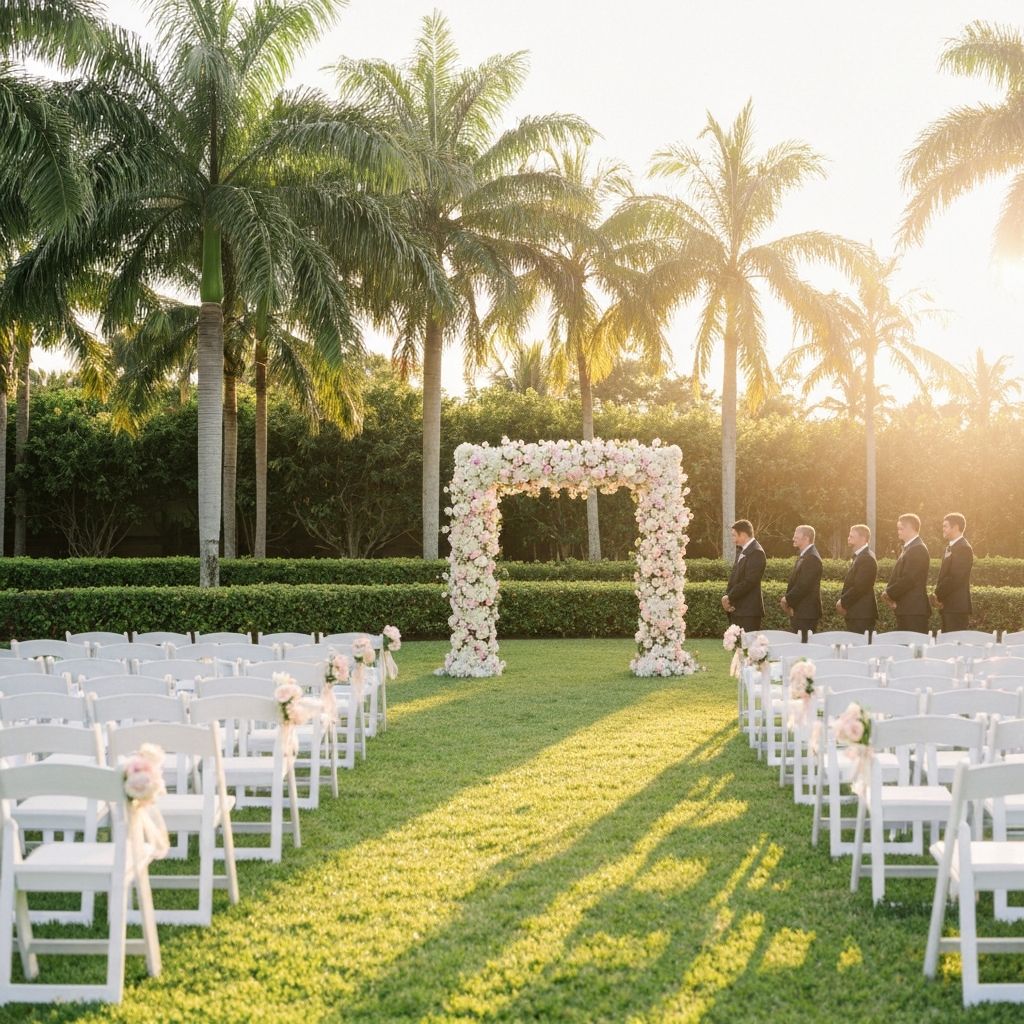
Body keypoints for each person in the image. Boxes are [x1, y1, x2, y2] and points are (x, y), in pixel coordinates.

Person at [882, 513, 931, 633]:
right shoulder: (910, 547)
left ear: (911, 528)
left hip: (914, 610)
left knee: (915, 649)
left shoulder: (918, 548)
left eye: (901, 528)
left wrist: (889, 593)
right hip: (907, 608)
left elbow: (909, 579)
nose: (898, 531)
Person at [932, 512, 974, 633]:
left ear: (955, 527)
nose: (943, 529)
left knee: (954, 646)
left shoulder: (964, 548)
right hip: (948, 605)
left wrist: (937, 593)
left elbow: (956, 577)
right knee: (946, 645)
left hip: (957, 607)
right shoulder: (949, 547)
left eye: (945, 526)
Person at [721, 519, 766, 632]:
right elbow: (734, 578)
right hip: (737, 609)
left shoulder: (757, 552)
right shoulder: (742, 550)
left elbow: (750, 581)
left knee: (749, 647)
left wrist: (729, 596)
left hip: (749, 612)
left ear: (744, 534)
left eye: (734, 536)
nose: (733, 540)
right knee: (738, 647)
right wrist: (728, 597)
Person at [781, 524, 822, 640]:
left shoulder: (812, 558)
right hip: (800, 611)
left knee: (804, 648)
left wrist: (787, 599)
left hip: (807, 613)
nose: (793, 538)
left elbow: (804, 585)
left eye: (796, 536)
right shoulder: (805, 556)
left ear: (806, 538)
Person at [837, 523, 878, 637]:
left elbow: (860, 587)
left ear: (863, 538)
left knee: (861, 650)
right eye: (849, 536)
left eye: (852, 536)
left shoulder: (867, 558)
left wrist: (843, 602)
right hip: (856, 612)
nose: (848, 538)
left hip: (862, 614)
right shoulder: (860, 556)